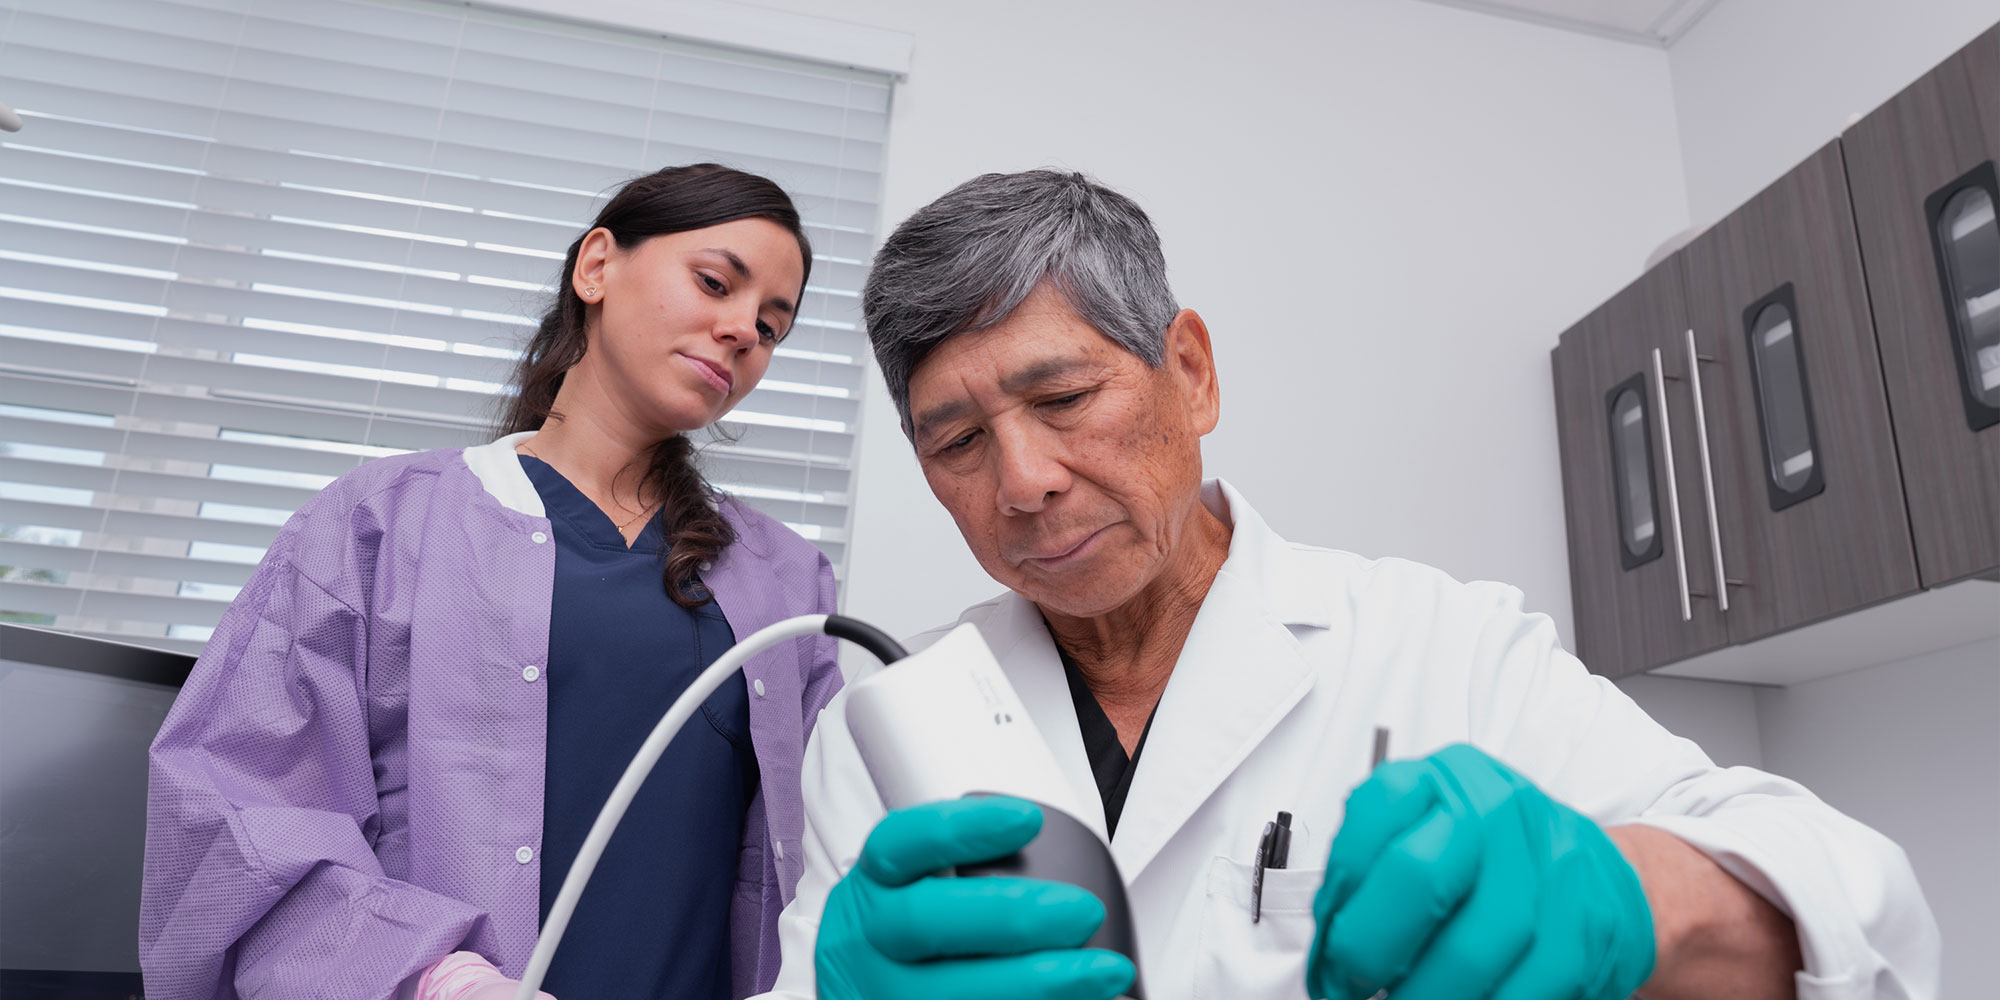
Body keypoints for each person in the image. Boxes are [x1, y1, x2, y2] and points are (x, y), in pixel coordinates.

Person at [756, 170, 1940, 1000]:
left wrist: (1637, 898)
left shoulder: (1437, 642)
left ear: (1190, 372)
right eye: (956, 442)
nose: (1020, 481)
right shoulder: (886, 731)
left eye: (1062, 400)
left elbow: (1866, 920)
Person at [142, 163, 842, 1000]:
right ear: (597, 267)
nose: (741, 331)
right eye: (714, 282)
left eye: (772, 326)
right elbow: (236, 808)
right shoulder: (380, 524)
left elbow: (829, 859)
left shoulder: (788, 582)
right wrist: (437, 979)